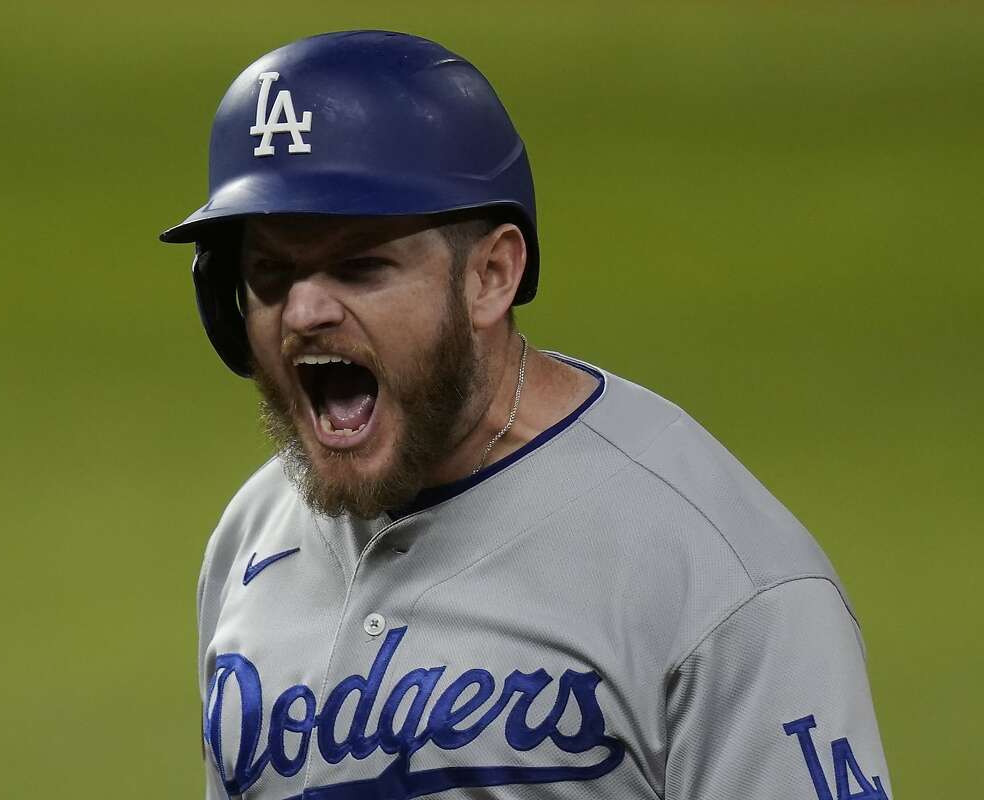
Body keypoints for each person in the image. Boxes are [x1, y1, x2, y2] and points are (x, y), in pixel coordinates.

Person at [160, 30, 892, 800]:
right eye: (270, 272)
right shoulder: (252, 536)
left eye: (359, 266)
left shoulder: (718, 576)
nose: (303, 310)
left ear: (491, 276)